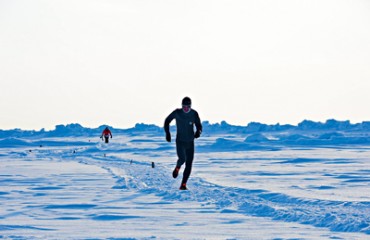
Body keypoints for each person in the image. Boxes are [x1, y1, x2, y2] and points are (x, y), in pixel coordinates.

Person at [164, 97, 202, 190]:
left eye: (187, 107)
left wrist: (198, 132)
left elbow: (199, 125)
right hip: (180, 141)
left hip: (190, 142)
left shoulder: (194, 114)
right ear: (182, 106)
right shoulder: (177, 112)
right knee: (182, 159)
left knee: (189, 164)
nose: (186, 108)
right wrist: (168, 133)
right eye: (184, 106)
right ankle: (177, 167)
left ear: (190, 106)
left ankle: (183, 184)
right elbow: (167, 121)